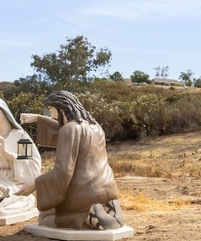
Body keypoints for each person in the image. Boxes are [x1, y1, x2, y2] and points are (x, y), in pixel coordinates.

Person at [17, 90, 125, 230]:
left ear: (61, 108)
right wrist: (38, 118)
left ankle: (86, 216)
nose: (50, 115)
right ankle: (107, 207)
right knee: (92, 198)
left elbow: (63, 171)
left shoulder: (70, 129)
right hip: (108, 187)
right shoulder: (96, 126)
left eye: (50, 110)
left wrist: (36, 183)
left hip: (84, 192)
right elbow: (64, 130)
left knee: (46, 216)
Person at [0, 96, 42, 218]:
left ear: (4, 111)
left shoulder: (20, 136)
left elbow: (30, 163)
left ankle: (24, 201)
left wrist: (8, 155)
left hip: (11, 183)